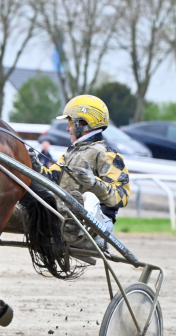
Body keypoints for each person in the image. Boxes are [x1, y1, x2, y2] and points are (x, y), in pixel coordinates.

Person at [29, 95, 130, 248]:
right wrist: (35, 167)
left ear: (83, 123)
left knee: (88, 197)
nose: (67, 128)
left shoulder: (107, 154)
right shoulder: (71, 153)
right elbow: (50, 178)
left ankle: (72, 226)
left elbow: (121, 197)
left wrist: (94, 183)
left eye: (70, 122)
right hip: (65, 218)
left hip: (98, 227)